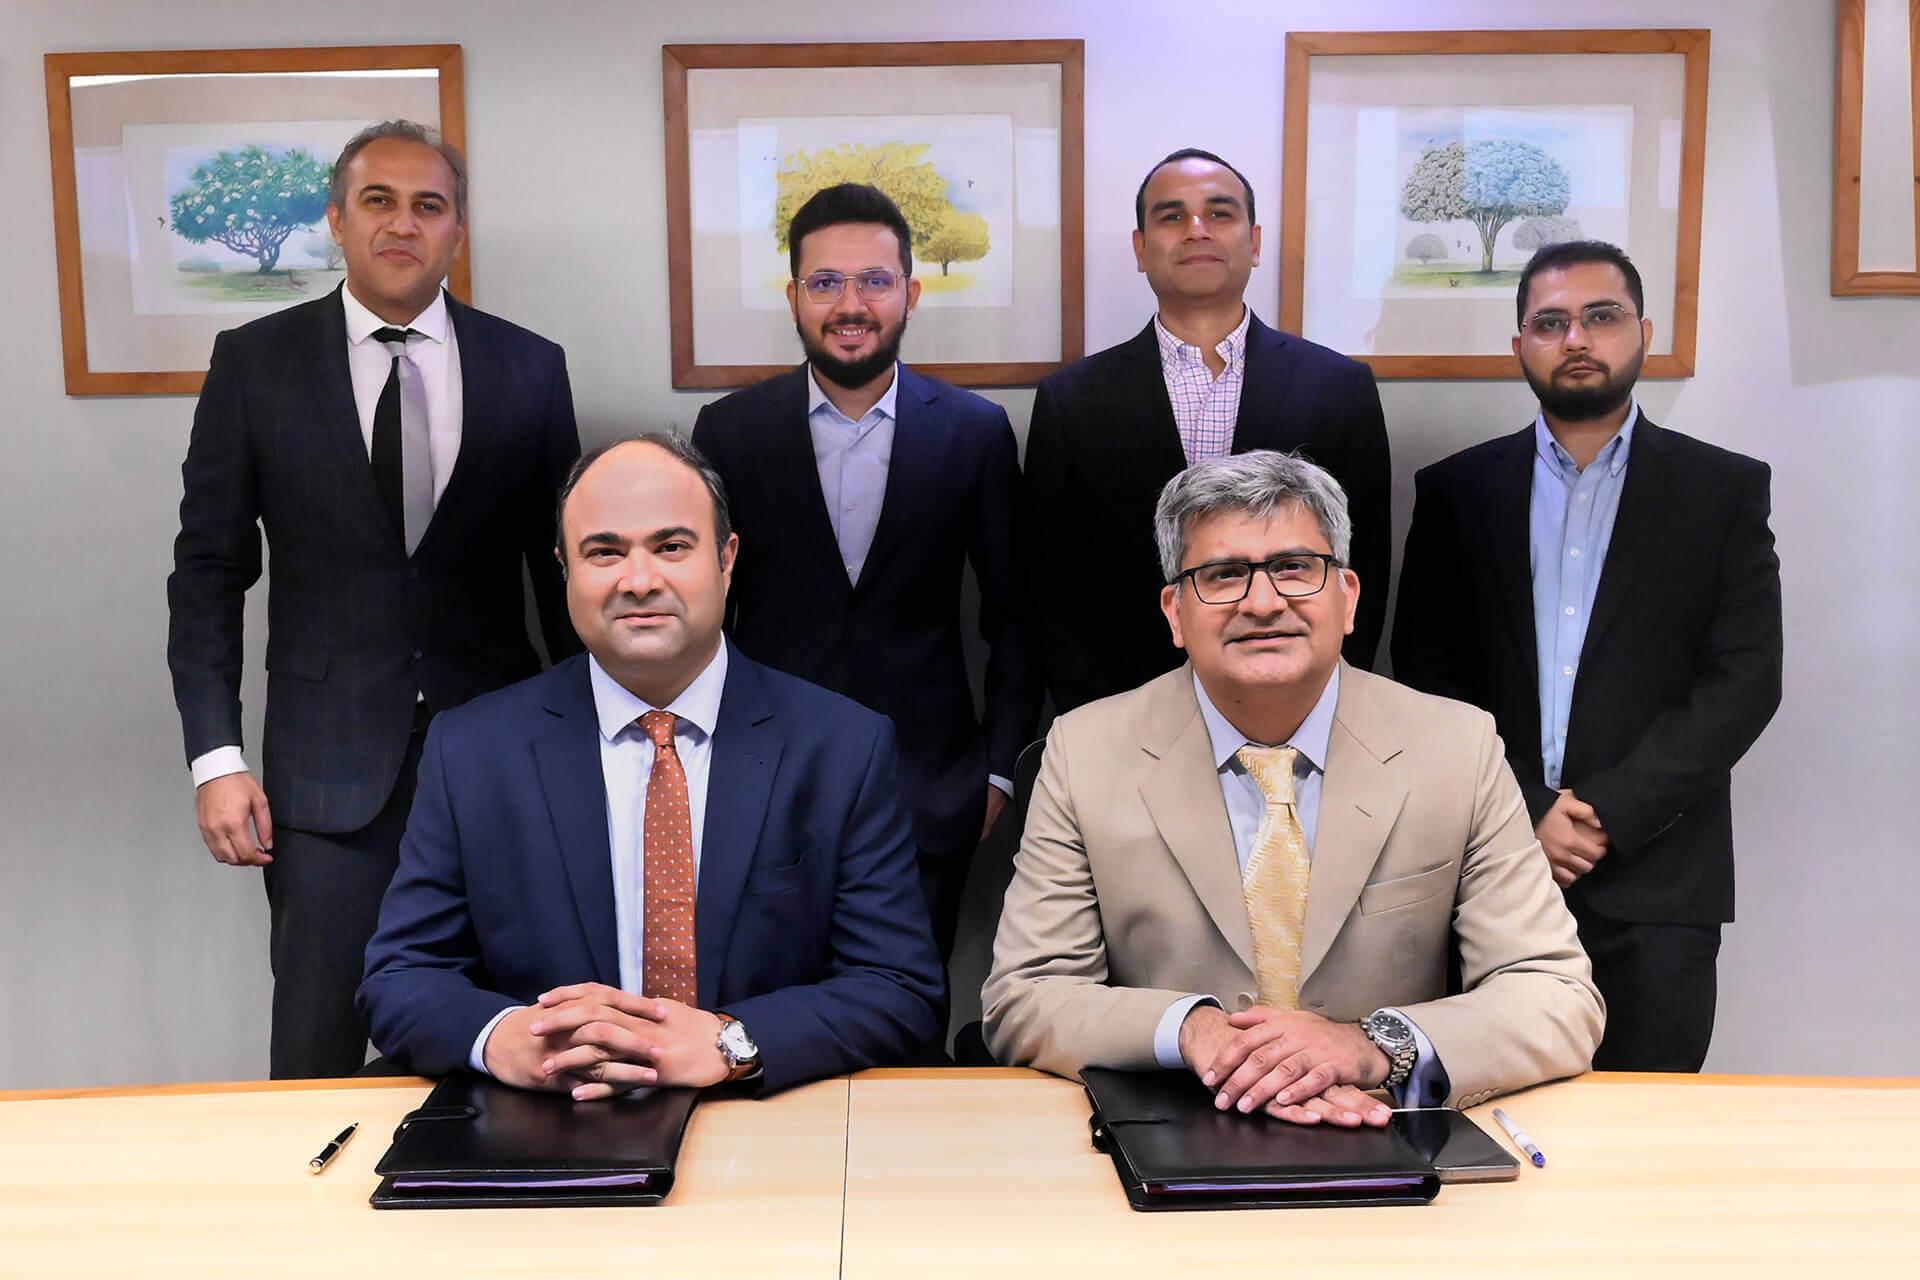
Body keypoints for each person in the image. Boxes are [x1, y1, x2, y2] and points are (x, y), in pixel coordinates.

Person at [984, 450, 1601, 1123]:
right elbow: (1027, 994)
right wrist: (1194, 1031)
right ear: (1174, 613)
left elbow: (1555, 994)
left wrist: (1369, 1047)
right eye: (1222, 575)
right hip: (1172, 1128)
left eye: (1294, 568)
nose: (1263, 601)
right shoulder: (1086, 752)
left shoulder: (1457, 747)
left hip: (1384, 1127)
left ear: (1348, 598)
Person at [166, 120, 581, 1079]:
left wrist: (596, 733)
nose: (404, 224)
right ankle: (307, 1230)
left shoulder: (530, 366)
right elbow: (208, 575)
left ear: (457, 232)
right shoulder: (255, 363)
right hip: (322, 774)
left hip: (504, 757)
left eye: (428, 206)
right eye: (379, 202)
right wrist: (215, 760)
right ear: (337, 223)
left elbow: (562, 582)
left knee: (510, 1038)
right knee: (314, 1043)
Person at [359, 435, 947, 1096]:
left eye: (672, 547)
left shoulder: (842, 745)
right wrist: (504, 1040)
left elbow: (899, 987)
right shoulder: (471, 749)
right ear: (564, 569)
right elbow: (400, 978)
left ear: (726, 561)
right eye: (604, 552)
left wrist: (732, 1041)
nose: (639, 581)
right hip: (548, 1124)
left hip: (768, 1117)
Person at [1392, 241, 1782, 1072]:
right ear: (1519, 346)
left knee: (1648, 1143)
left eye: (1600, 317)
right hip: (1489, 865)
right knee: (1483, 1122)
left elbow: (1745, 680)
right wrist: (1529, 805)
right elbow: (1427, 677)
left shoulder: (1721, 491)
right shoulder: (1458, 492)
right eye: (1551, 322)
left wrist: (1605, 813)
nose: (1577, 338)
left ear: (1641, 332)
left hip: (1660, 877)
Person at [693, 183, 1039, 958]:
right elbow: (700, 615)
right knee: (769, 1024)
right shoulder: (731, 431)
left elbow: (1015, 617)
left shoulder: (974, 433)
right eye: (826, 283)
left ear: (910, 294)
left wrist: (997, 774)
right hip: (758, 781)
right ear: (794, 297)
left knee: (908, 1022)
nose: (851, 304)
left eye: (874, 281)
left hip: (927, 786)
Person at [1024, 148, 1391, 713]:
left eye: (1220, 214)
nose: (1197, 230)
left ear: (1256, 240)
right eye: (1172, 217)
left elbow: (1359, 566)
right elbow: (1052, 587)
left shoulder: (1338, 388)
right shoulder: (1072, 401)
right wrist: (1092, 714)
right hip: (1124, 711)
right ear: (1141, 249)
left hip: (1299, 706)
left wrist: (1327, 706)